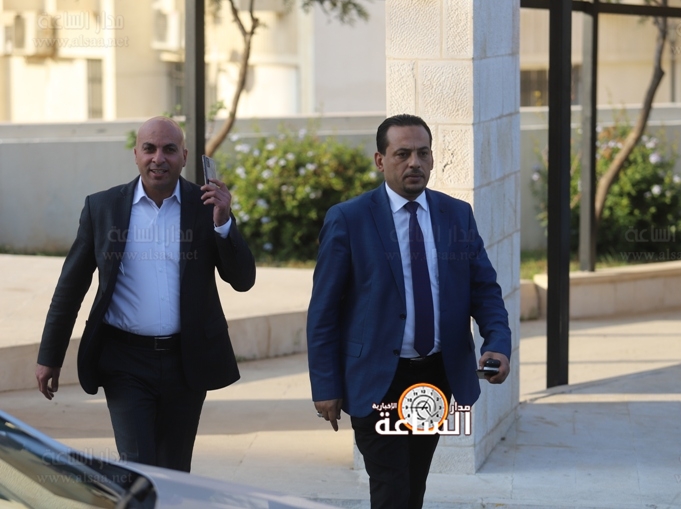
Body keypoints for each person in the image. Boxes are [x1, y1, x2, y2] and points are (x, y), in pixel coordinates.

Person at [306, 114, 512, 508]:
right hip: (377, 379)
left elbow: (484, 290)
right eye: (402, 154)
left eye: (422, 153)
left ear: (432, 159)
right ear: (380, 160)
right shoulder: (349, 219)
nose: (414, 162)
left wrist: (498, 344)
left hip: (435, 378)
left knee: (413, 484)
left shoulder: (457, 215)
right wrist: (326, 385)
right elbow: (324, 311)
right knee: (391, 487)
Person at [35, 116, 256, 472]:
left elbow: (242, 279)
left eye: (169, 149)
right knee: (137, 469)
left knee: (174, 471)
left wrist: (223, 223)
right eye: (149, 149)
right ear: (136, 154)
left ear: (184, 156)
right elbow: (70, 288)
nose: (158, 158)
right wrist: (50, 355)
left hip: (186, 361)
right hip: (125, 363)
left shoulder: (206, 207)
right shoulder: (103, 208)